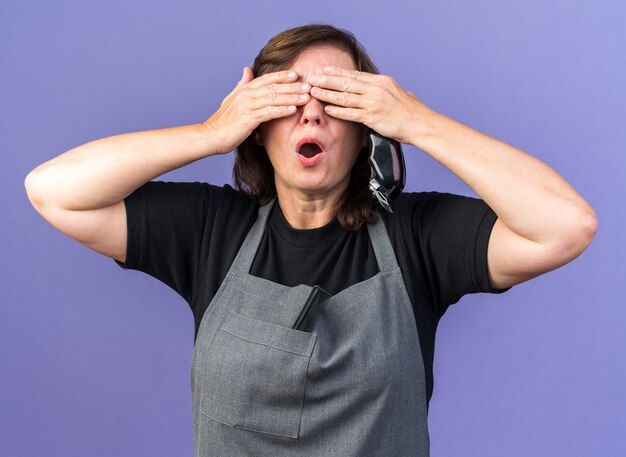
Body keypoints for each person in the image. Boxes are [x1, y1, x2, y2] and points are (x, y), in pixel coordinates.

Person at [25, 24, 597, 457]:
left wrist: (417, 120)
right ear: (258, 126)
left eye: (338, 99)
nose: (312, 116)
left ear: (368, 126)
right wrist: (209, 133)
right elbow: (54, 189)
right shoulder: (210, 229)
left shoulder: (416, 236)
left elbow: (566, 225)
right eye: (289, 100)